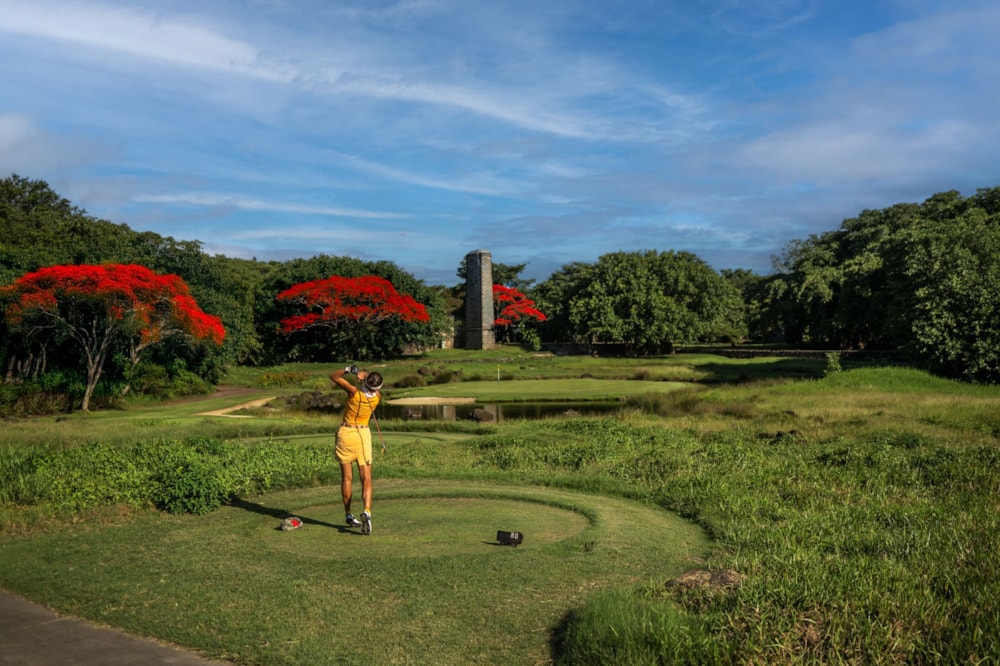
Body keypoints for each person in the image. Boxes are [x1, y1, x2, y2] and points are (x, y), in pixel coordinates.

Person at [329, 364, 383, 535]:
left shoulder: (354, 392)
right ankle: (367, 510)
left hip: (346, 433)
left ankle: (348, 513)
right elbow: (372, 387)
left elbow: (334, 377)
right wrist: (365, 378)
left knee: (347, 478)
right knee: (366, 478)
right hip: (363, 435)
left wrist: (348, 370)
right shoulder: (377, 397)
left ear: (365, 382)